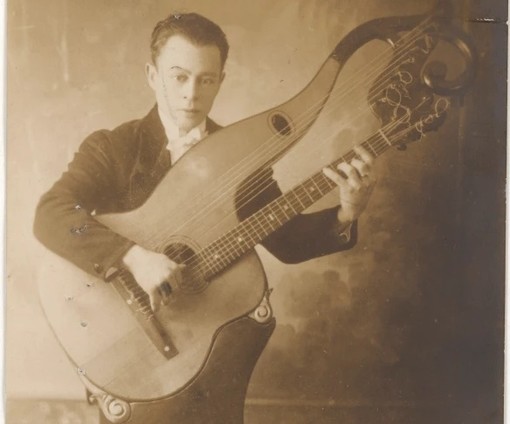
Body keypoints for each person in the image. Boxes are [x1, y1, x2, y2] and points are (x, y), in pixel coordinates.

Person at [34, 12, 376, 424]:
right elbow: (51, 213)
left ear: (221, 82)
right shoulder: (112, 147)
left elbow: (287, 240)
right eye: (178, 77)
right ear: (151, 74)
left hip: (207, 346)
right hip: (127, 352)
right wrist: (133, 256)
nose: (191, 94)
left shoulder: (241, 158)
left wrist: (347, 210)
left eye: (206, 80)